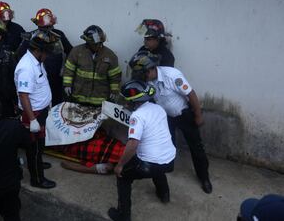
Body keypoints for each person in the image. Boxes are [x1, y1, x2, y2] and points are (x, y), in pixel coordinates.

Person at [129, 51, 212, 194]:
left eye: (144, 73)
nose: (142, 77)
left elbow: (191, 94)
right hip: (166, 117)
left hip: (184, 114)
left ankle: (204, 178)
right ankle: (168, 166)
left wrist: (198, 115)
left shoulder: (172, 75)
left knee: (196, 148)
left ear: (151, 69)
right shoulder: (146, 81)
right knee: (167, 144)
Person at [108, 80, 176, 221]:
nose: (125, 104)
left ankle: (123, 215)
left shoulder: (137, 116)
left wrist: (120, 165)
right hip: (169, 160)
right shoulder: (158, 108)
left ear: (134, 102)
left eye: (127, 101)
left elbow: (132, 144)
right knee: (158, 164)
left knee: (122, 176)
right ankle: (164, 194)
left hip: (149, 165)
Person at [14, 29, 59, 189]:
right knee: (34, 148)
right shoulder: (26, 67)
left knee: (39, 146)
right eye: (46, 52)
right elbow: (23, 95)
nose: (47, 56)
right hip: (32, 114)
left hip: (40, 112)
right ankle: (37, 179)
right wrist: (32, 119)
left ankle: (37, 162)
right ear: (38, 50)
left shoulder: (36, 62)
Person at [18, 8, 73, 106]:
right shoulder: (32, 36)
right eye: (44, 27)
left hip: (56, 77)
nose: (47, 30)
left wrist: (64, 68)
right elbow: (20, 54)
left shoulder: (59, 35)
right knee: (40, 101)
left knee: (56, 102)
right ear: (38, 25)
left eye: (49, 27)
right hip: (38, 77)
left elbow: (70, 51)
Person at [63, 25, 121, 106]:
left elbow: (115, 76)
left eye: (100, 43)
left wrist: (114, 91)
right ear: (88, 42)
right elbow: (69, 70)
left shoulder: (110, 55)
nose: (99, 46)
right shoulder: (76, 52)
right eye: (96, 44)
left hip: (100, 101)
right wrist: (67, 85)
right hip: (79, 98)